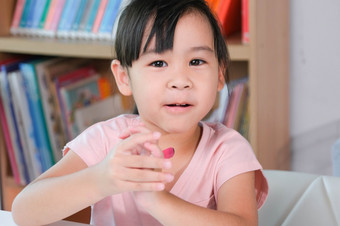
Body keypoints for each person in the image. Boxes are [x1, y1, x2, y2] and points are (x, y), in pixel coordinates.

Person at [12, 0, 268, 225]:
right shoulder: (105, 140)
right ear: (124, 78)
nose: (180, 80)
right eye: (158, 63)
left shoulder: (228, 150)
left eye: (196, 62)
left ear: (220, 73)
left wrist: (157, 201)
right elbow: (24, 211)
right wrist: (101, 179)